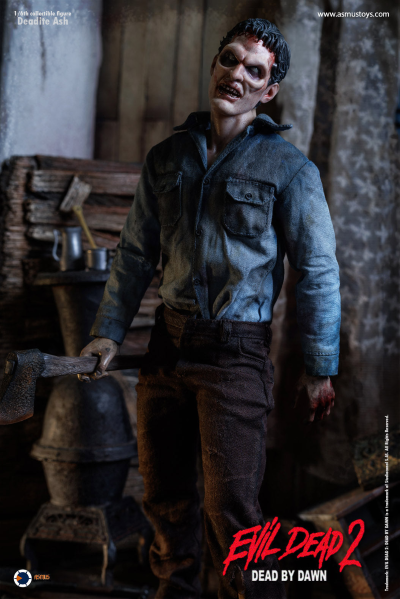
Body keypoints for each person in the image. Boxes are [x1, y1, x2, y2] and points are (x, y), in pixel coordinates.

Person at [79, 18, 340, 599]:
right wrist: (108, 333)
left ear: (268, 91)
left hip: (235, 357)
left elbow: (319, 271)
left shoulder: (289, 170)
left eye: (255, 70)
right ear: (216, 63)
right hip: (166, 349)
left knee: (233, 512)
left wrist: (321, 367)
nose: (237, 74)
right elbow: (134, 254)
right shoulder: (167, 157)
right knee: (165, 501)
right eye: (231, 59)